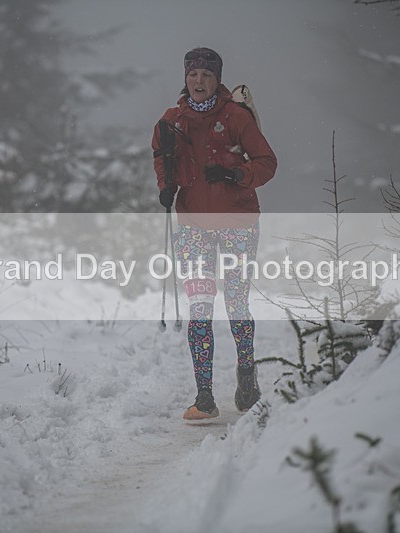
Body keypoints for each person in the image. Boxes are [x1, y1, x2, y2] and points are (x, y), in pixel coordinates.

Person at [151, 47, 277, 420]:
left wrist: (234, 174)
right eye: (193, 75)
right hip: (193, 226)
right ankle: (204, 396)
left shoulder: (236, 118)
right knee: (201, 309)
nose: (199, 81)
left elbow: (267, 162)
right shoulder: (173, 120)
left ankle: (246, 377)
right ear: (185, 78)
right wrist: (166, 185)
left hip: (238, 223)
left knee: (236, 305)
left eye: (206, 75)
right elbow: (161, 154)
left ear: (217, 79)